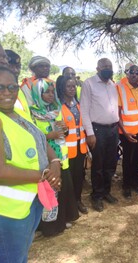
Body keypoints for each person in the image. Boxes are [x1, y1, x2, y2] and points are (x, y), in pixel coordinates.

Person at [0, 66, 61, 262]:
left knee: (19, 255)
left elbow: (40, 138)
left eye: (12, 87)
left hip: (28, 203)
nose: (7, 93)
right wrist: (44, 175)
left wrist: (55, 162)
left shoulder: (16, 111)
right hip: (4, 211)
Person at [29, 76, 79, 236]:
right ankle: (48, 228)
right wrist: (49, 135)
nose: (50, 95)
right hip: (46, 161)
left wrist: (64, 130)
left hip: (62, 158)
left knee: (62, 191)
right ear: (37, 93)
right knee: (49, 193)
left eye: (52, 91)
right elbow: (33, 136)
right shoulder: (33, 114)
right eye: (46, 92)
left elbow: (64, 132)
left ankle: (61, 221)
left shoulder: (56, 110)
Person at [80, 58, 119, 212]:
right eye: (104, 66)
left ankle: (106, 192)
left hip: (113, 130)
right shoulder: (89, 84)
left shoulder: (112, 85)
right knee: (98, 164)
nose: (108, 69)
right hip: (97, 130)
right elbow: (84, 109)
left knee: (110, 163)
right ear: (97, 68)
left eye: (110, 66)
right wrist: (90, 133)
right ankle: (96, 196)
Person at [57, 76, 88, 214]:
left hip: (80, 147)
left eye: (74, 86)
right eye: (69, 86)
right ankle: (68, 206)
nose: (72, 89)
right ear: (63, 88)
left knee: (79, 176)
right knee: (67, 179)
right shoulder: (58, 106)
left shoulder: (79, 105)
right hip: (66, 150)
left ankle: (78, 200)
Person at [117, 65, 138, 199]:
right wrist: (124, 132)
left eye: (137, 73)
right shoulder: (120, 88)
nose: (134, 75)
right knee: (127, 160)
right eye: (132, 72)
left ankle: (136, 182)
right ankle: (126, 185)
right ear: (127, 74)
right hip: (127, 132)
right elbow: (117, 114)